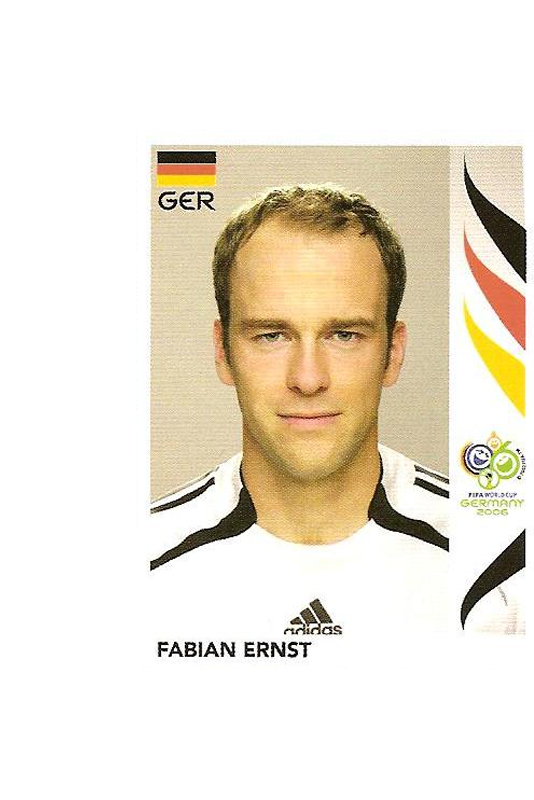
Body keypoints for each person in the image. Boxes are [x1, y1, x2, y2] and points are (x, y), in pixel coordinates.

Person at [148, 185, 449, 637]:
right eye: (271, 335)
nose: (308, 379)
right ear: (223, 352)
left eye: (344, 335)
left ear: (393, 352)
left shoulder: (501, 563)